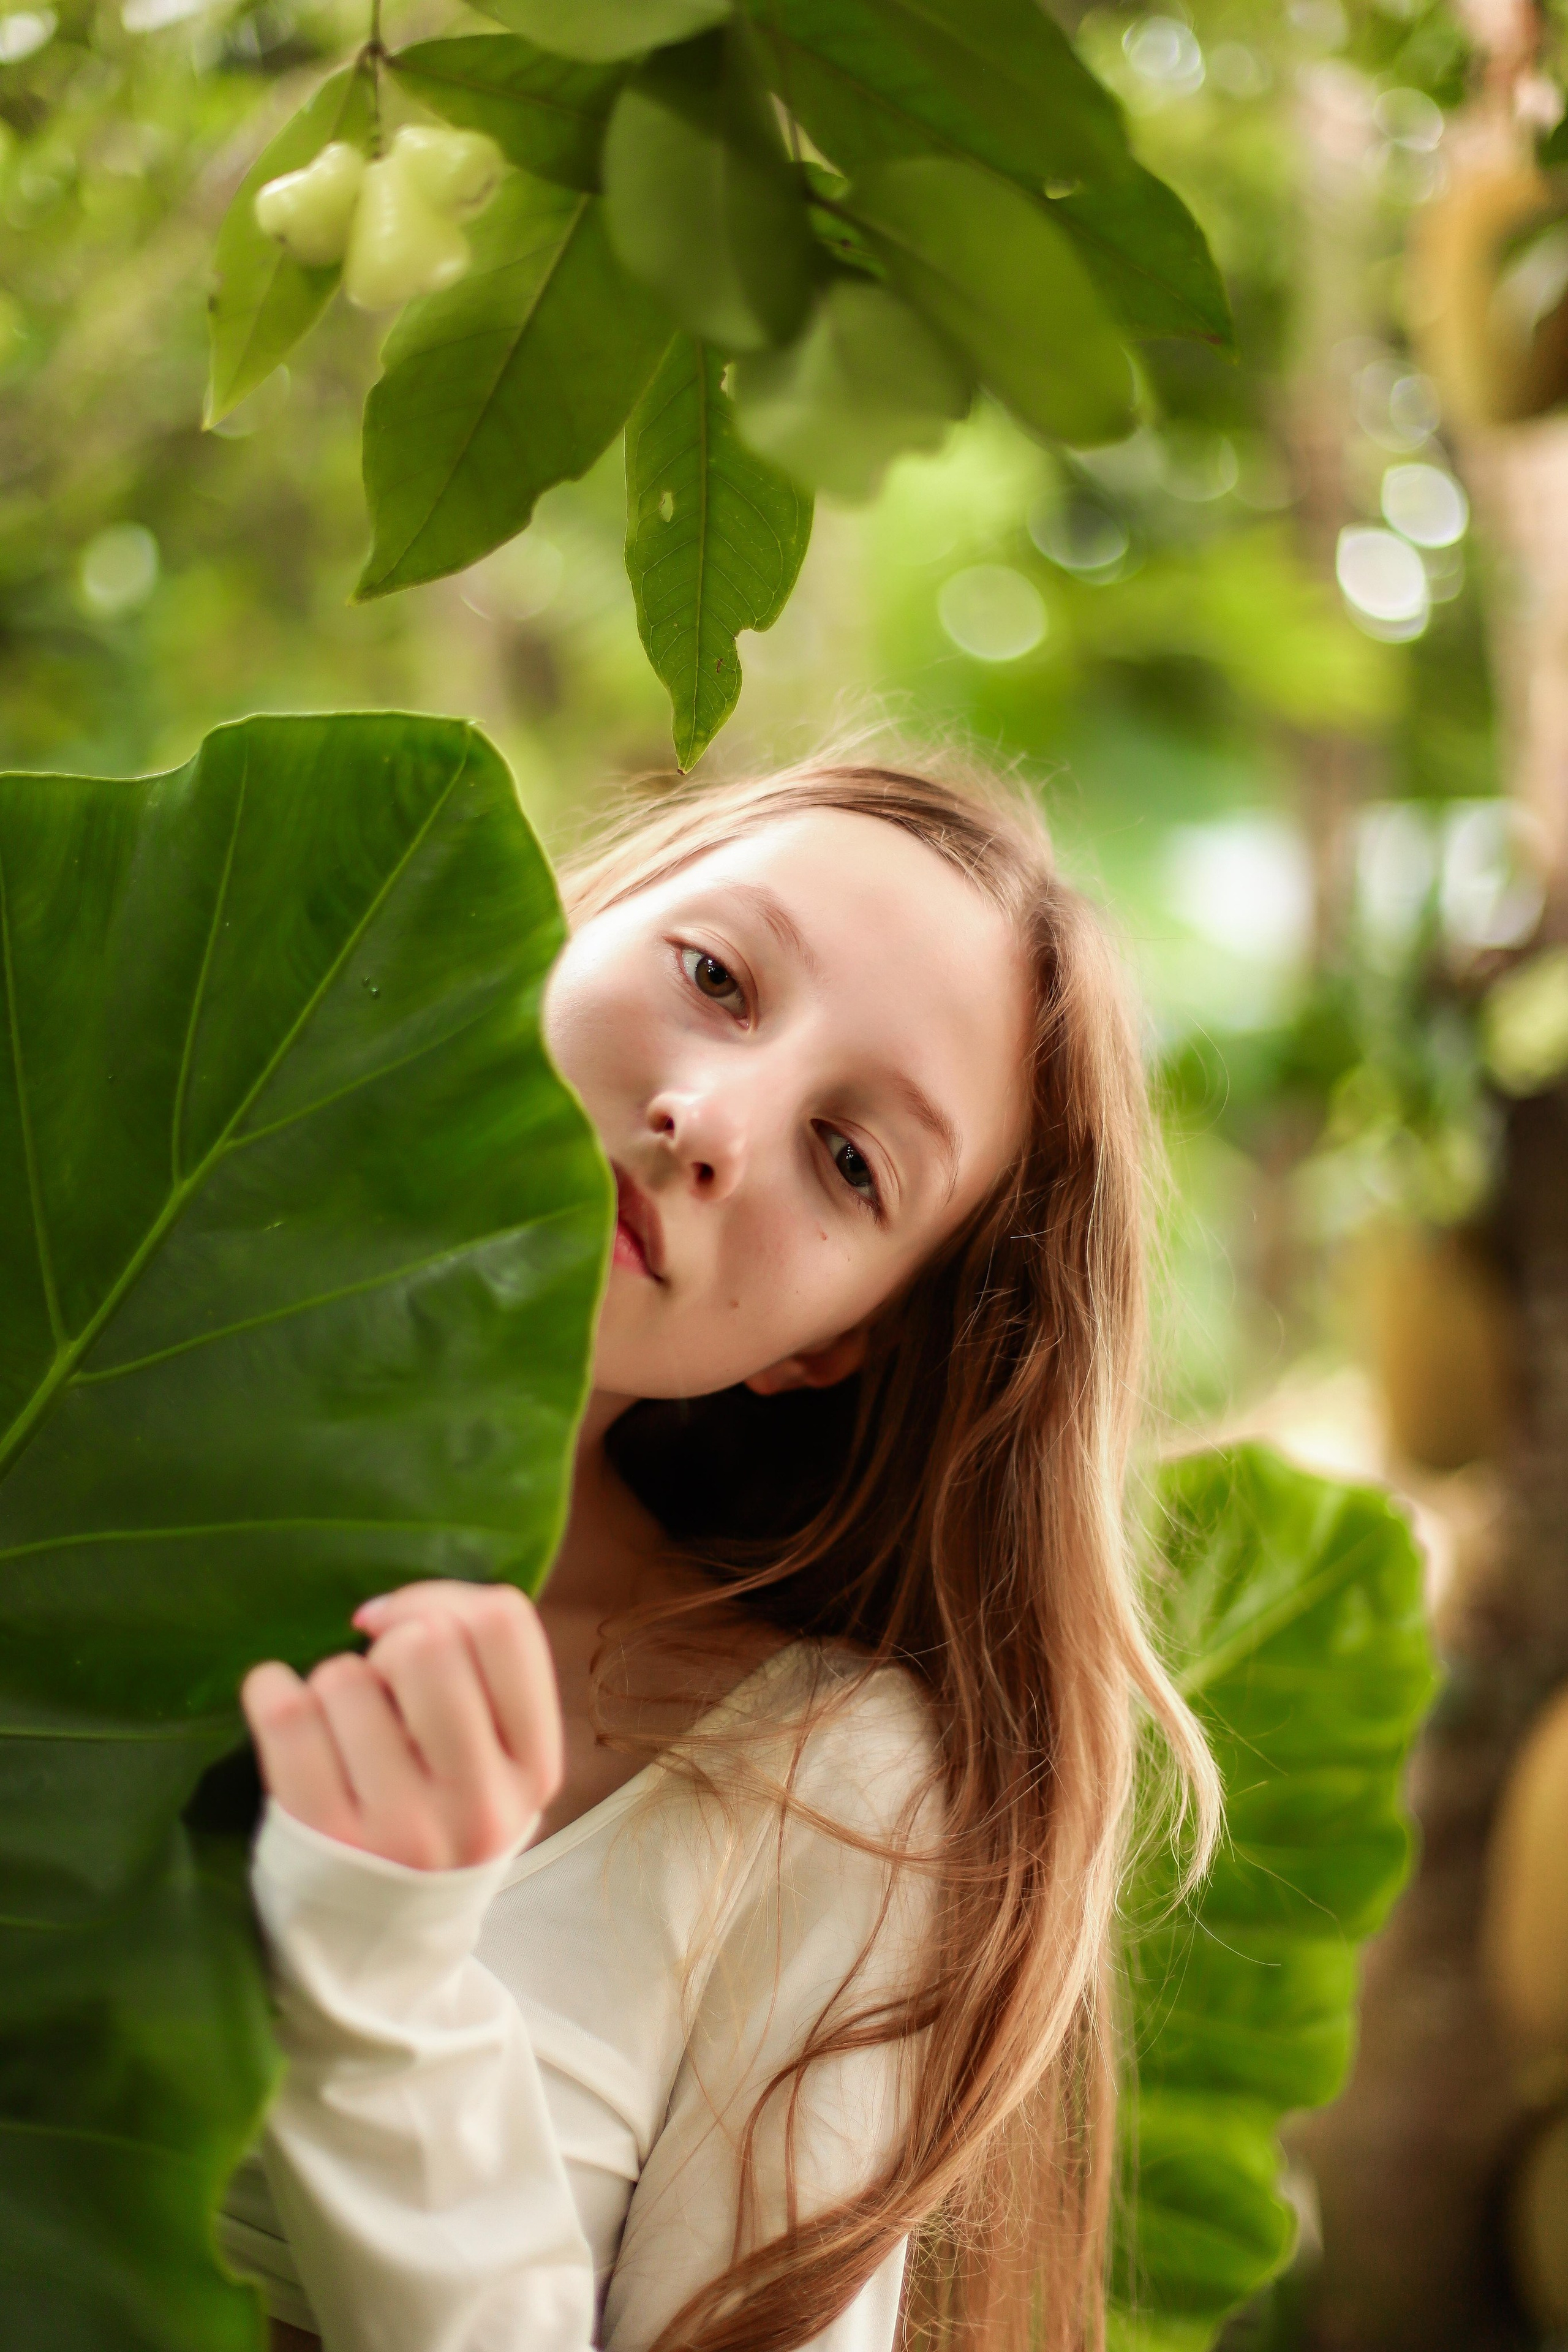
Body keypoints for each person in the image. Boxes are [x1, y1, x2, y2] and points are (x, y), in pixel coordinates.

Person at [221, 758, 1219, 2352]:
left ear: (829, 1350)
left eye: (850, 1163)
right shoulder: (72, 1323)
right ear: (575, 921)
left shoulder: (817, 1784)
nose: (711, 1123)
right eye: (715, 976)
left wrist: (386, 1994)